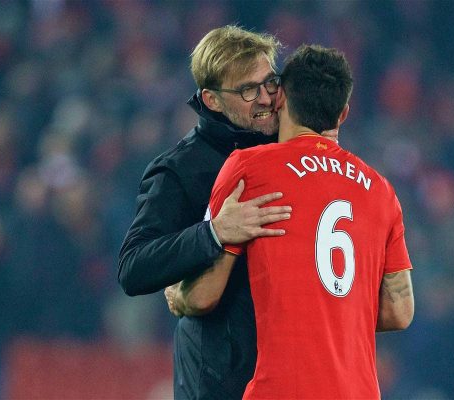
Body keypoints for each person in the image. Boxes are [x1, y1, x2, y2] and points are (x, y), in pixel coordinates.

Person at [169, 45, 415, 399]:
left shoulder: (249, 168)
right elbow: (400, 311)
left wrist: (177, 293)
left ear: (279, 97)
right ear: (342, 113)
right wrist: (332, 310)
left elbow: (205, 295)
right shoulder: (380, 190)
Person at [118, 26, 298, 399]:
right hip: (218, 382)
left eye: (270, 82)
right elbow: (133, 267)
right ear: (212, 100)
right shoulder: (180, 169)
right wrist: (214, 232)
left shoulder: (293, 150)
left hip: (286, 372)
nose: (266, 98)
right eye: (248, 90)